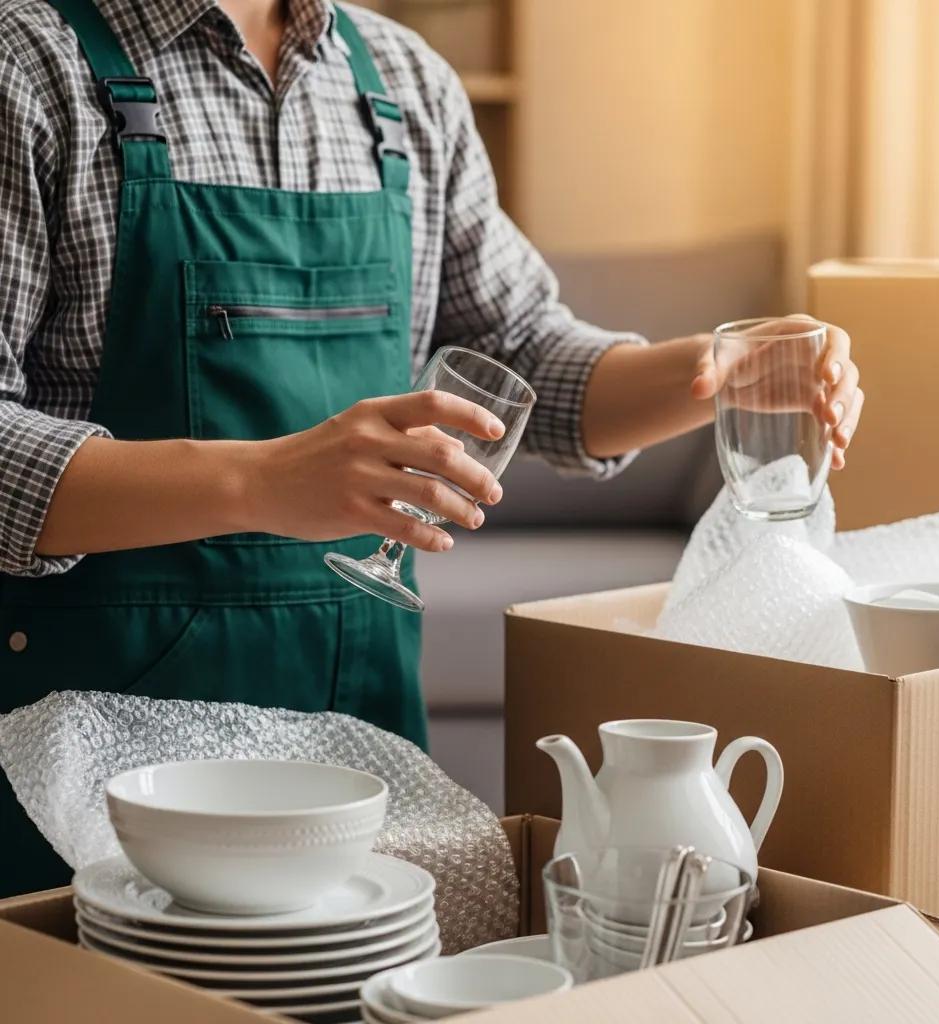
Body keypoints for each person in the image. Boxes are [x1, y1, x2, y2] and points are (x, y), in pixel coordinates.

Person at [0, 0, 864, 897]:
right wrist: (261, 480)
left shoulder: (405, 82)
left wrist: (717, 371)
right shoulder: (29, 66)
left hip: (359, 738)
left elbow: (524, 353)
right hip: (96, 767)